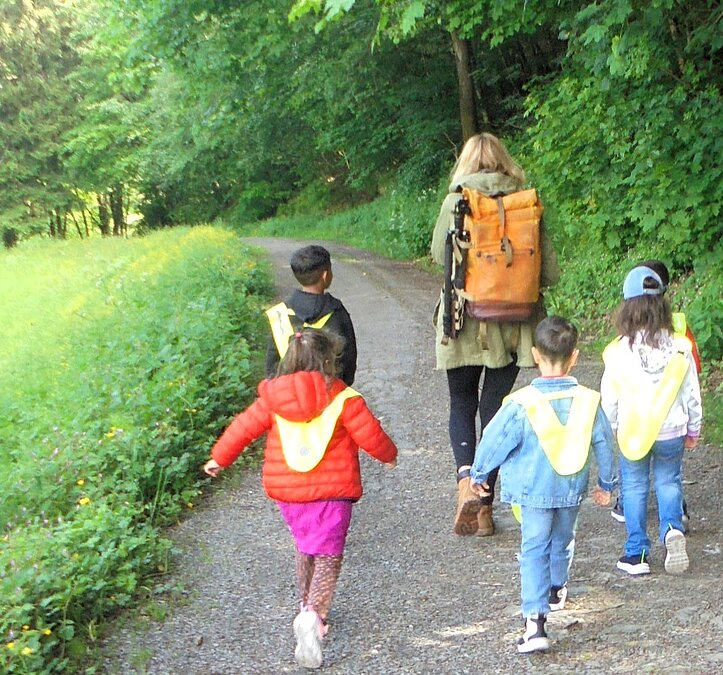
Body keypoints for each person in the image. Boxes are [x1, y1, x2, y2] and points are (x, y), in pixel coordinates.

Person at [203, 329, 397, 668]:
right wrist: (389, 455)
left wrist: (219, 457)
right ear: (327, 361)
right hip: (332, 493)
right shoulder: (343, 398)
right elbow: (370, 433)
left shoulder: (272, 400)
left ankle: (303, 605)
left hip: (289, 494)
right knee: (328, 555)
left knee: (306, 545)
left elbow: (242, 428)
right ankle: (312, 614)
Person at [430, 132, 560, 537]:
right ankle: (485, 507)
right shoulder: (527, 204)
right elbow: (550, 272)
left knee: (461, 402)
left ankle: (465, 481)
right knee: (496, 410)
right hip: (516, 324)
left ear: (466, 163)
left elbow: (439, 256)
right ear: (506, 162)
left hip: (464, 317)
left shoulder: (457, 202)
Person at [469, 316, 616, 653]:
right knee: (564, 539)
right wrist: (606, 483)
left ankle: (534, 623)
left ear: (535, 355)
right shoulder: (588, 400)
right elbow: (604, 443)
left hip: (533, 492)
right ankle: (557, 587)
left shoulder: (520, 404)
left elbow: (494, 440)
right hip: (571, 488)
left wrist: (479, 474)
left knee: (534, 549)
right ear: (575, 357)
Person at [601, 267, 702, 576]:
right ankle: (672, 529)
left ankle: (636, 552)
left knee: (633, 487)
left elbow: (610, 396)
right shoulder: (680, 348)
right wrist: (693, 427)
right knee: (669, 481)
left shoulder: (619, 351)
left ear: (627, 309)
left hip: (633, 432)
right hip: (672, 429)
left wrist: (612, 427)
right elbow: (692, 392)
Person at [265, 245, 358, 386]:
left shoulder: (278, 315)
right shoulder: (337, 313)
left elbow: (272, 370)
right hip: (330, 397)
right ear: (325, 275)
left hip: (290, 399)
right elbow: (348, 363)